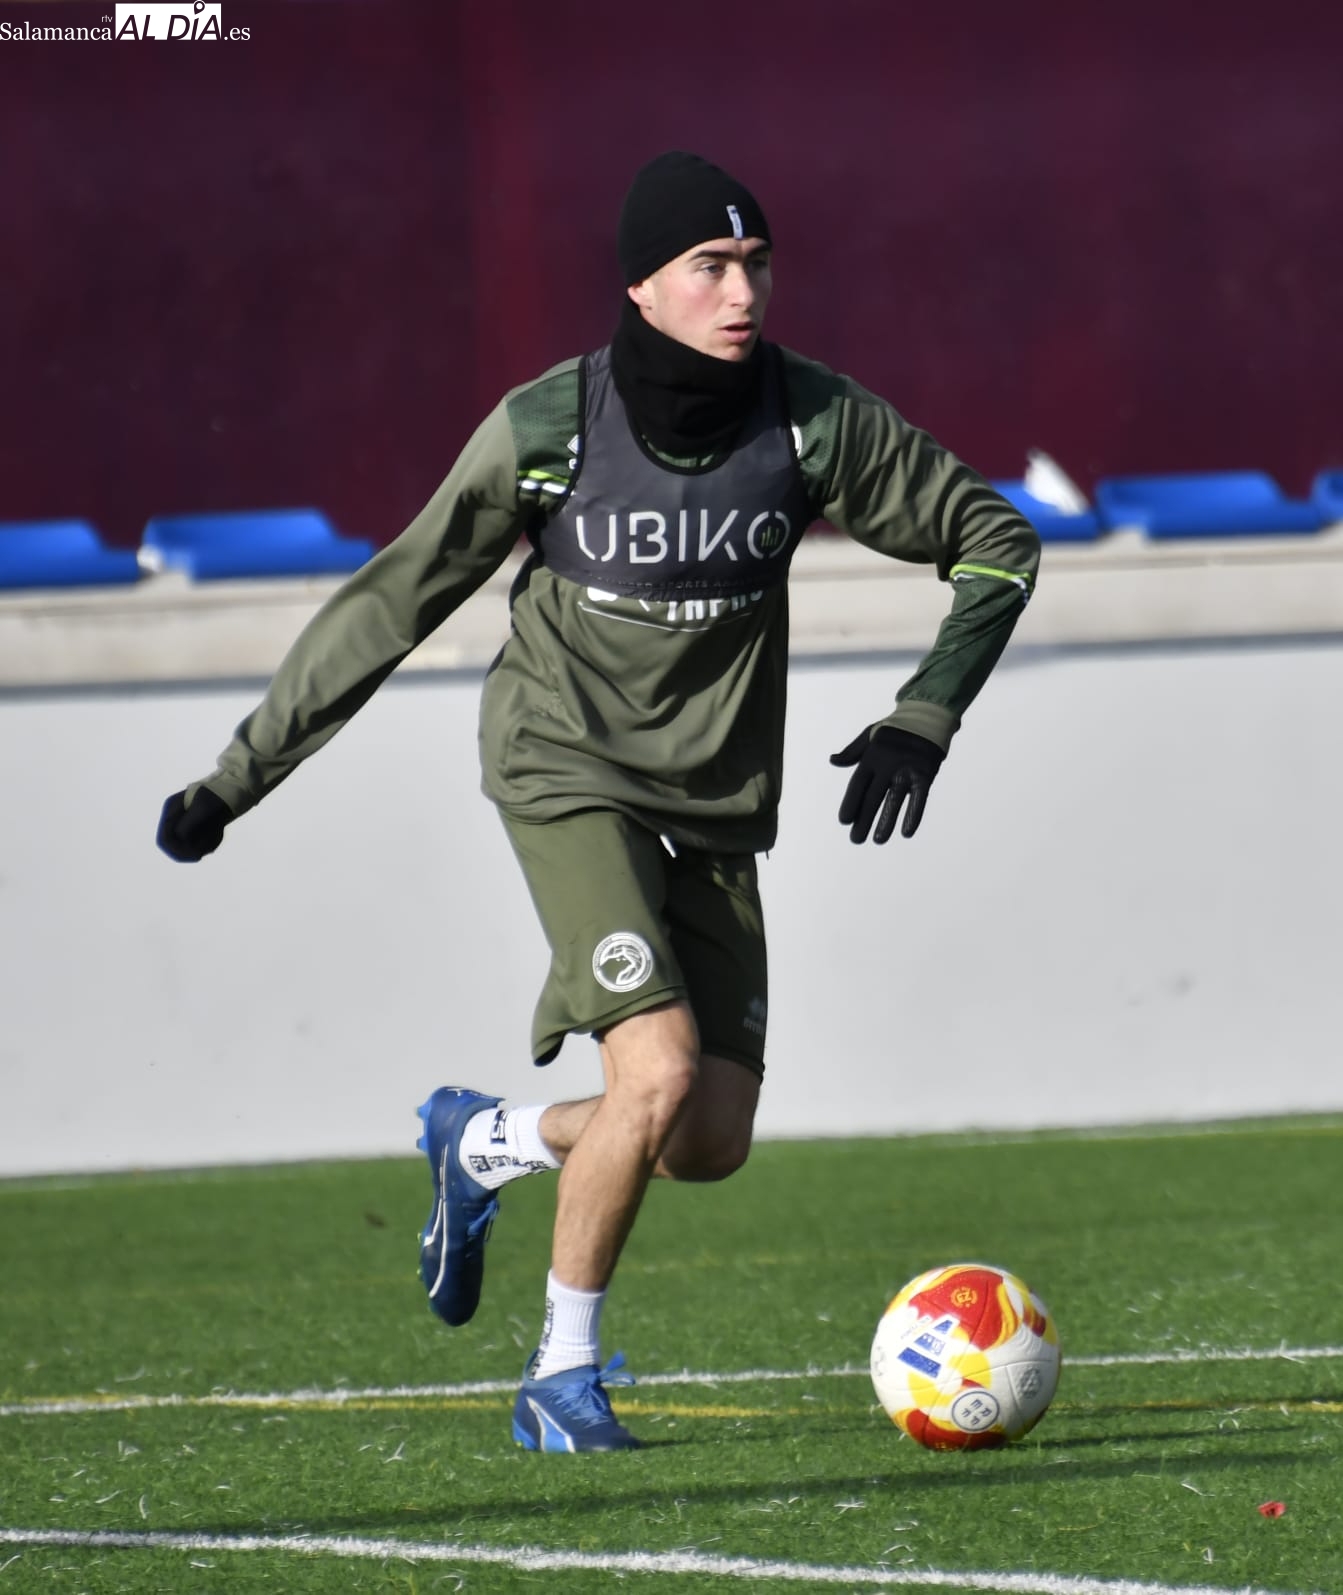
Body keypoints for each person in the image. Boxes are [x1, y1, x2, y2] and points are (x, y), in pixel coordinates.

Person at [157, 151, 1041, 1453]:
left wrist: (928, 713)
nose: (741, 293)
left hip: (712, 799)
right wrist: (238, 778)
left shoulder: (813, 420)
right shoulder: (550, 428)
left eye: (756, 265)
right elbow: (392, 602)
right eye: (709, 267)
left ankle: (487, 1142)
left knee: (705, 1137)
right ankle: (559, 1380)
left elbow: (997, 541)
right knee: (658, 1065)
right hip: (562, 762)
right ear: (640, 284)